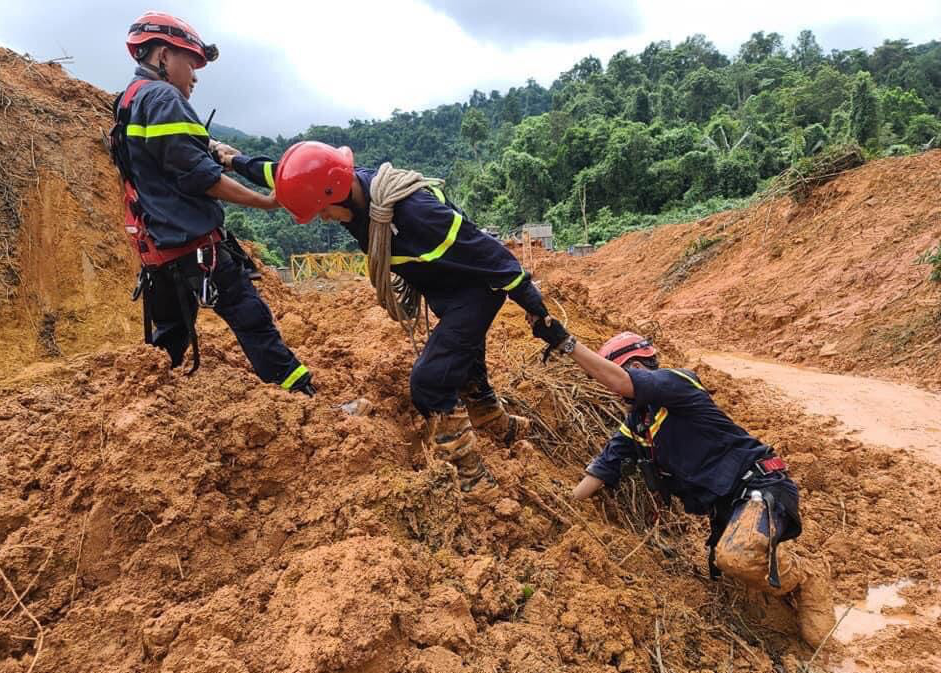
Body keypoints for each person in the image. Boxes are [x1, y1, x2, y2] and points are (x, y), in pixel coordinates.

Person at [216, 141, 550, 496]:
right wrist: (234, 161)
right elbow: (284, 176)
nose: (324, 218)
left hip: (474, 291)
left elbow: (495, 257)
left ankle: (475, 479)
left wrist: (537, 310)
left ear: (338, 192)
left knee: (430, 383)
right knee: (461, 358)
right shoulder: (343, 188)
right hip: (446, 290)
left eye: (323, 211)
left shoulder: (414, 211)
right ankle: (492, 419)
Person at [530, 323, 836, 648]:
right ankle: (779, 578)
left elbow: (619, 381)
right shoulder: (637, 425)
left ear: (635, 368)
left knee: (736, 558)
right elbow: (602, 470)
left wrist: (566, 343)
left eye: (613, 377)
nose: (610, 391)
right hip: (729, 509)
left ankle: (806, 576)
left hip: (760, 485)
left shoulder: (677, 383)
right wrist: (562, 507)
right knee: (755, 603)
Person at [112, 12, 314, 394]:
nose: (195, 76)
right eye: (191, 62)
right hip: (195, 245)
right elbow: (198, 177)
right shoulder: (163, 96)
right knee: (251, 319)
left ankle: (149, 407)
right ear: (163, 56)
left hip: (158, 246)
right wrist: (265, 201)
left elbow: (161, 162)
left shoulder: (127, 101)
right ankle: (302, 397)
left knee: (170, 334)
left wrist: (206, 147)